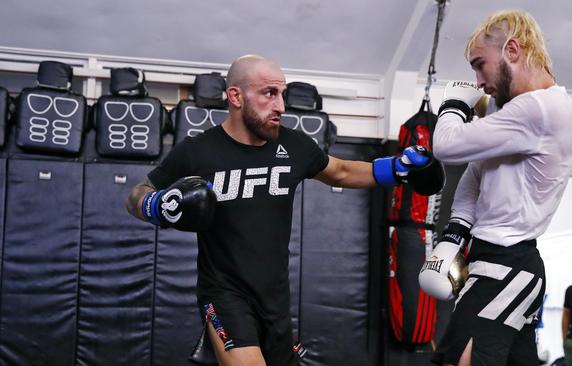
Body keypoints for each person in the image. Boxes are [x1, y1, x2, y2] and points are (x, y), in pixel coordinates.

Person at [125, 55, 444, 366]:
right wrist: (156, 205)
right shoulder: (197, 151)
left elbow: (343, 171)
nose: (280, 105)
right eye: (269, 93)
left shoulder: (294, 146)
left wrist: (399, 168)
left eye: (282, 94)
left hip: (274, 299)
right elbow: (137, 194)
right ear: (236, 96)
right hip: (224, 295)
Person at [417, 9, 572, 366]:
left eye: (480, 65)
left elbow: (445, 145)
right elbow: (477, 171)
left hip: (507, 265)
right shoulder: (508, 107)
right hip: (497, 262)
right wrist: (455, 231)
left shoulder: (542, 109)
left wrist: (453, 105)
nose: (477, 81)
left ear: (512, 50)